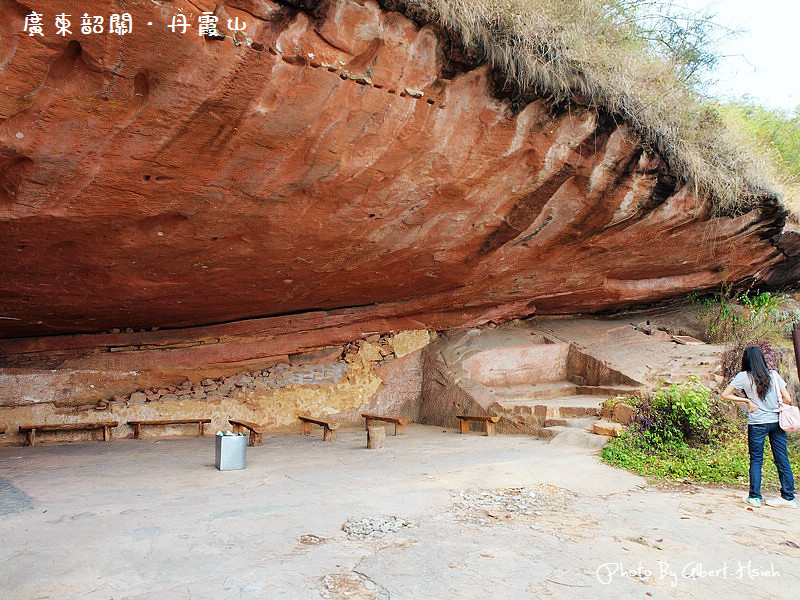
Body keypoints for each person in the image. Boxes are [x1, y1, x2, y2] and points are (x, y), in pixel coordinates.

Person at [721, 346, 796, 508]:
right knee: (782, 458)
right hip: (776, 421)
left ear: (746, 360)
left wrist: (748, 401)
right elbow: (788, 399)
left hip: (757, 423)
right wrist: (773, 404)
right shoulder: (774, 375)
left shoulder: (744, 377)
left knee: (756, 459)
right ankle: (788, 497)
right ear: (762, 358)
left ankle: (755, 497)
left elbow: (725, 394)